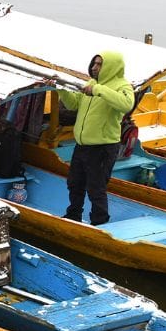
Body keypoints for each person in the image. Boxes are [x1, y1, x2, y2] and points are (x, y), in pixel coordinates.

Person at [57, 51, 134, 225]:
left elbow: (126, 104)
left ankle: (99, 221)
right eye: (94, 63)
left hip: (103, 146)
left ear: (111, 66)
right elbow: (73, 104)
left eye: (99, 64)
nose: (95, 67)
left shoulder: (122, 86)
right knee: (75, 183)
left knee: (96, 188)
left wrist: (99, 90)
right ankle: (73, 215)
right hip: (83, 145)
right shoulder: (91, 82)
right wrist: (60, 87)